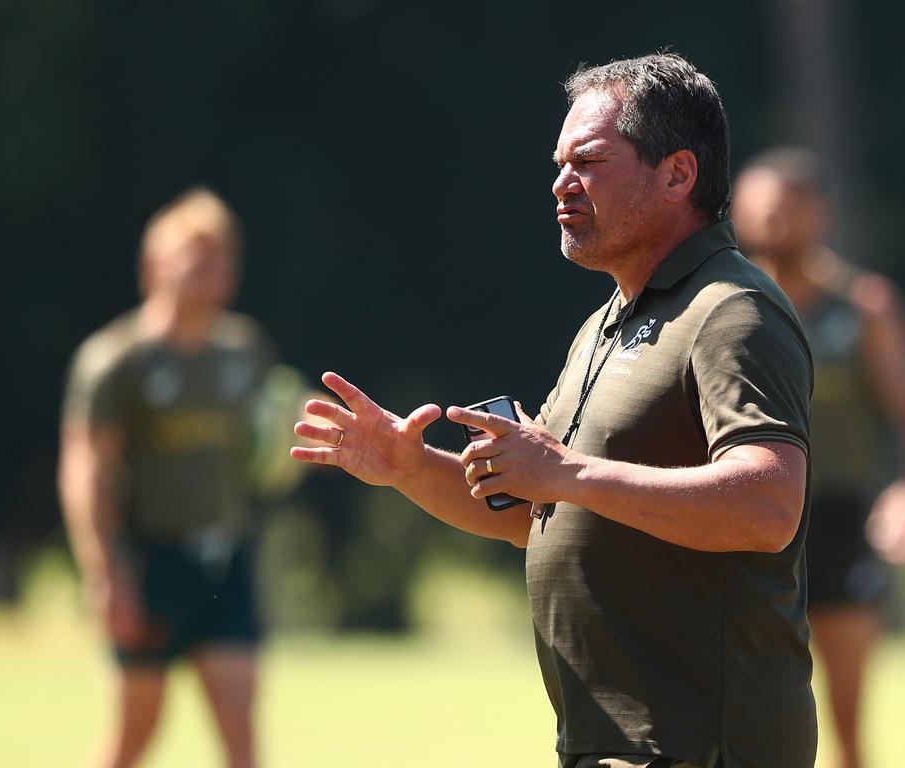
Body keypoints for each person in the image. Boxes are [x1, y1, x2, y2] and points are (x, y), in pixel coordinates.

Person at [291, 53, 815, 768]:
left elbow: (768, 504)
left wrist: (566, 471)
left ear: (677, 175)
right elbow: (530, 512)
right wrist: (411, 468)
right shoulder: (605, 324)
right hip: (611, 747)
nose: (561, 184)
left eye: (590, 161)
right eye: (560, 162)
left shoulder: (731, 310)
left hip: (705, 747)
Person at [732, 148, 905, 768]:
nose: (777, 221)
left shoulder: (863, 306)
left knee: (847, 729)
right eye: (765, 209)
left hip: (837, 517)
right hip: (744, 516)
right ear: (739, 213)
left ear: (820, 215)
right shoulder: (726, 306)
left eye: (791, 209)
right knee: (745, 714)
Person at [59, 188, 280, 768]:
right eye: (195, 258)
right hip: (149, 563)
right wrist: (105, 574)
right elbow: (85, 469)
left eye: (221, 259)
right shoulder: (115, 360)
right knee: (134, 740)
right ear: (154, 267)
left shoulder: (244, 351)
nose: (211, 273)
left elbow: (266, 443)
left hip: (226, 561)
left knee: (242, 743)